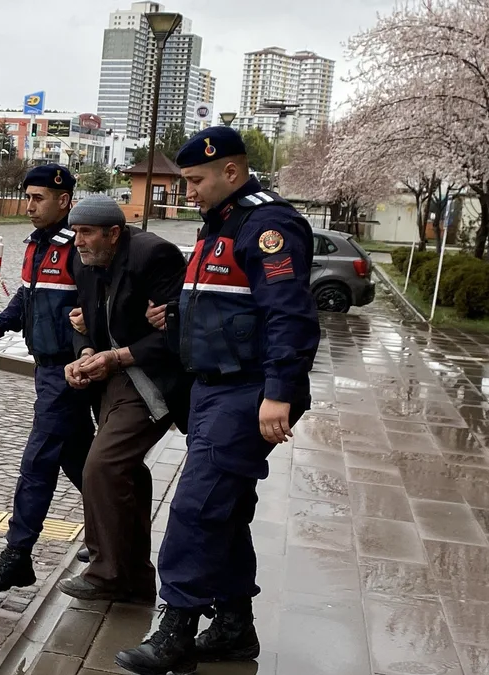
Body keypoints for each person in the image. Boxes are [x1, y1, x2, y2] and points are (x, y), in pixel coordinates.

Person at [115, 127, 320, 674]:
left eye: (196, 180)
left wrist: (279, 392)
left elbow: (288, 316)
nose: (189, 192)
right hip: (213, 388)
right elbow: (230, 304)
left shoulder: (267, 224)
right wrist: (175, 316)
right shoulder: (221, 225)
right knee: (224, 512)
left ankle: (177, 628)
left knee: (197, 506)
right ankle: (232, 627)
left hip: (247, 389)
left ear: (231, 172)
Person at [55, 195, 191, 604]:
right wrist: (82, 355)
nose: (78, 241)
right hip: (111, 379)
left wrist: (115, 357)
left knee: (102, 465)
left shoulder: (156, 256)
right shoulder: (82, 258)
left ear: (114, 233)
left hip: (152, 379)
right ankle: (134, 577)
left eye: (87, 233)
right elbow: (81, 318)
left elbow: (174, 332)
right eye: (76, 232)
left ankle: (107, 571)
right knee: (126, 471)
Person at [0, 164, 95, 593]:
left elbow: (100, 300)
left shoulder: (77, 245)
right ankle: (109, 534)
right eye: (27, 197)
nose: (29, 205)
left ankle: (17, 555)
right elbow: (27, 292)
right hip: (47, 367)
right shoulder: (36, 245)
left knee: (39, 460)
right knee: (79, 458)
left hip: (70, 371)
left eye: (38, 198)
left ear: (64, 201)